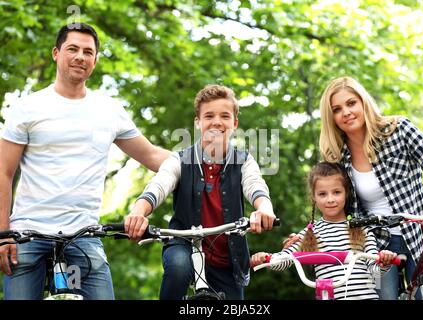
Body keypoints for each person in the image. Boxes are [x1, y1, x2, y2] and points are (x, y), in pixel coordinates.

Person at [0, 23, 170, 300]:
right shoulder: (28, 107)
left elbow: (151, 155)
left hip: (84, 234)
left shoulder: (109, 110)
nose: (81, 56)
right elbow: (3, 172)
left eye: (88, 52)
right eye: (73, 49)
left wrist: (203, 163)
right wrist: (3, 234)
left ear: (95, 60)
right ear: (56, 53)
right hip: (26, 236)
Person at [125, 84, 277, 300]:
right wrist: (138, 212)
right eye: (209, 116)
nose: (217, 121)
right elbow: (160, 184)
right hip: (184, 244)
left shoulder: (244, 161)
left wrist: (265, 209)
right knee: (178, 267)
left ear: (234, 123)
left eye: (225, 116)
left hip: (227, 257)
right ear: (198, 122)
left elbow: (255, 185)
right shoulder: (179, 159)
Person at [317, 76, 423, 299]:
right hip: (375, 246)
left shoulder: (400, 130)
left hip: (420, 237)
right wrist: (309, 234)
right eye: (337, 109)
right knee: (382, 296)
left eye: (351, 103)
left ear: (363, 102)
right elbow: (333, 205)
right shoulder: (338, 156)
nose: (346, 112)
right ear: (332, 117)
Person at [252, 161, 397, 300]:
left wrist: (383, 262)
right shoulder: (311, 232)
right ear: (313, 197)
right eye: (322, 194)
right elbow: (285, 259)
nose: (330, 199)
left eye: (336, 192)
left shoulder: (361, 229)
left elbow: (375, 271)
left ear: (346, 193)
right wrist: (267, 258)